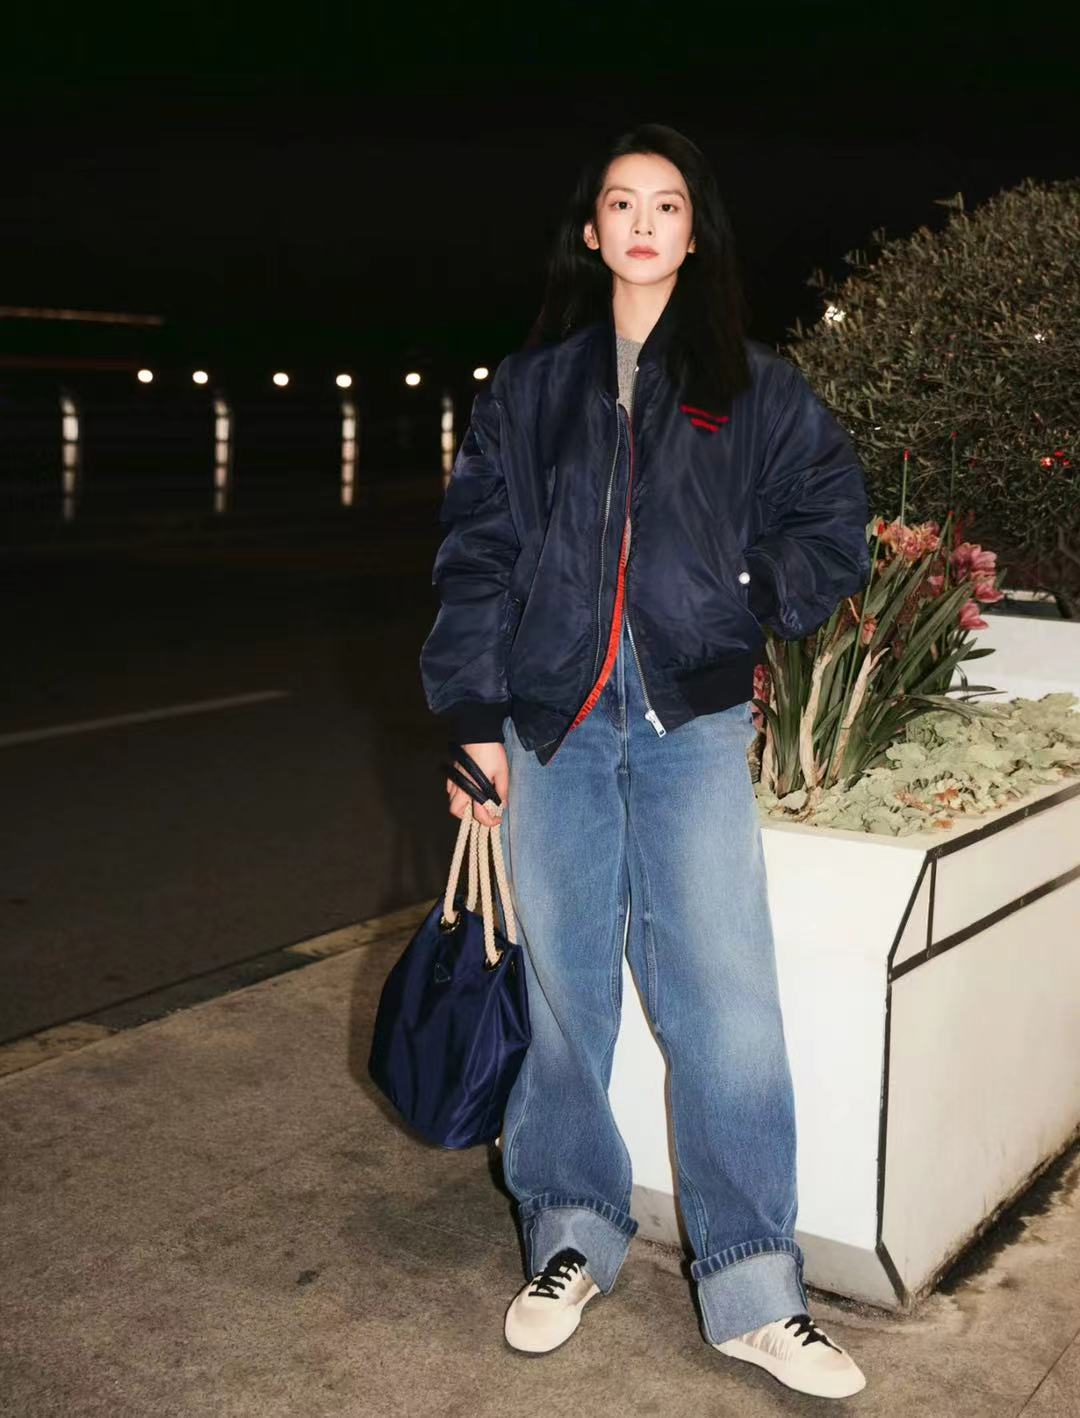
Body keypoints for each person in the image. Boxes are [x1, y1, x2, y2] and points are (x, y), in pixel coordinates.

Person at [420, 123, 872, 1400]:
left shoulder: (754, 385)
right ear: (591, 230)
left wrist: (749, 593)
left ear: (694, 232)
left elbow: (832, 516)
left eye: (665, 205)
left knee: (728, 1000)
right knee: (566, 992)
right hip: (553, 722)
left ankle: (755, 1287)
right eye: (620, 203)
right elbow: (476, 553)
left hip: (690, 724)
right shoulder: (531, 389)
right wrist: (473, 718)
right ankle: (568, 1233)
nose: (641, 223)